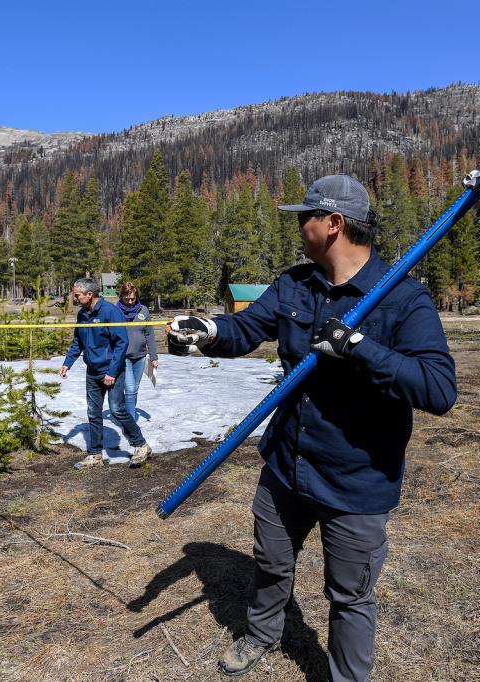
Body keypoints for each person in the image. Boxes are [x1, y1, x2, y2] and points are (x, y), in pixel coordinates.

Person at [168, 175, 457, 681]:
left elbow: (438, 389)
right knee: (271, 561)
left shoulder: (402, 299)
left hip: (356, 479)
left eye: (305, 217)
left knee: (349, 595)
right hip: (286, 465)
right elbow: (246, 328)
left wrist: (360, 347)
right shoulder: (293, 285)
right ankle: (261, 633)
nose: (298, 227)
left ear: (333, 224)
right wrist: (208, 331)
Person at [59, 278, 152, 469]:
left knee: (117, 409)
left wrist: (111, 371)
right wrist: (67, 363)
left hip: (112, 371)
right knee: (93, 413)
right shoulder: (83, 315)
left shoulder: (111, 312)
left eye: (77, 295)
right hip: (92, 372)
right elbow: (78, 342)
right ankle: (95, 455)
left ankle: (141, 445)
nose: (75, 298)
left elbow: (121, 343)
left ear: (89, 295)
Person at [116, 281, 158, 422]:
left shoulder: (143, 310)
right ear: (122, 296)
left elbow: (149, 334)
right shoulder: (116, 311)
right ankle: (131, 423)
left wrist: (153, 356)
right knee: (130, 389)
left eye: (132, 298)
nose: (130, 301)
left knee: (134, 389)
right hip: (123, 357)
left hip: (140, 356)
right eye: (127, 298)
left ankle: (128, 415)